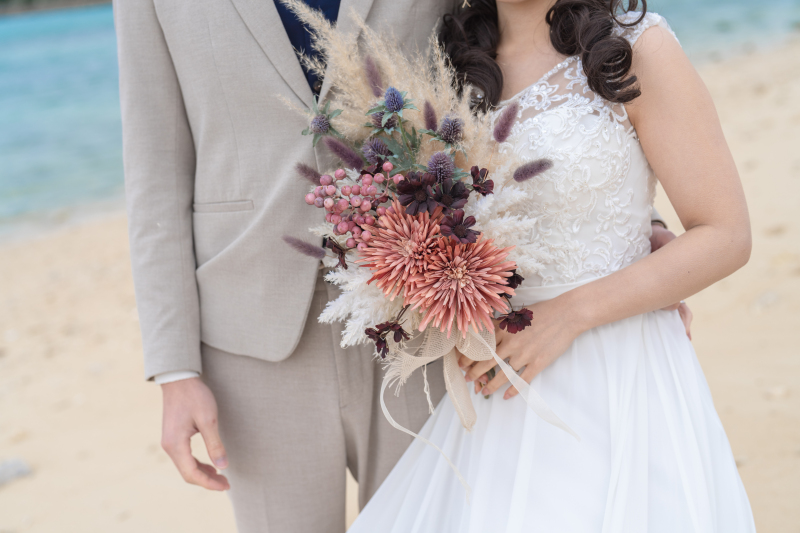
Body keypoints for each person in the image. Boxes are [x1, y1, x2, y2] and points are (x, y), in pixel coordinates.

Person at [112, 0, 685, 531]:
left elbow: (503, 60)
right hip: (250, 337)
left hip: (427, 321)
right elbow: (154, 170)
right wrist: (174, 369)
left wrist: (629, 227)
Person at [347, 1, 755, 531]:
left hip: (620, 373)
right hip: (498, 380)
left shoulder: (635, 46)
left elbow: (726, 234)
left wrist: (570, 314)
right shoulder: (447, 63)